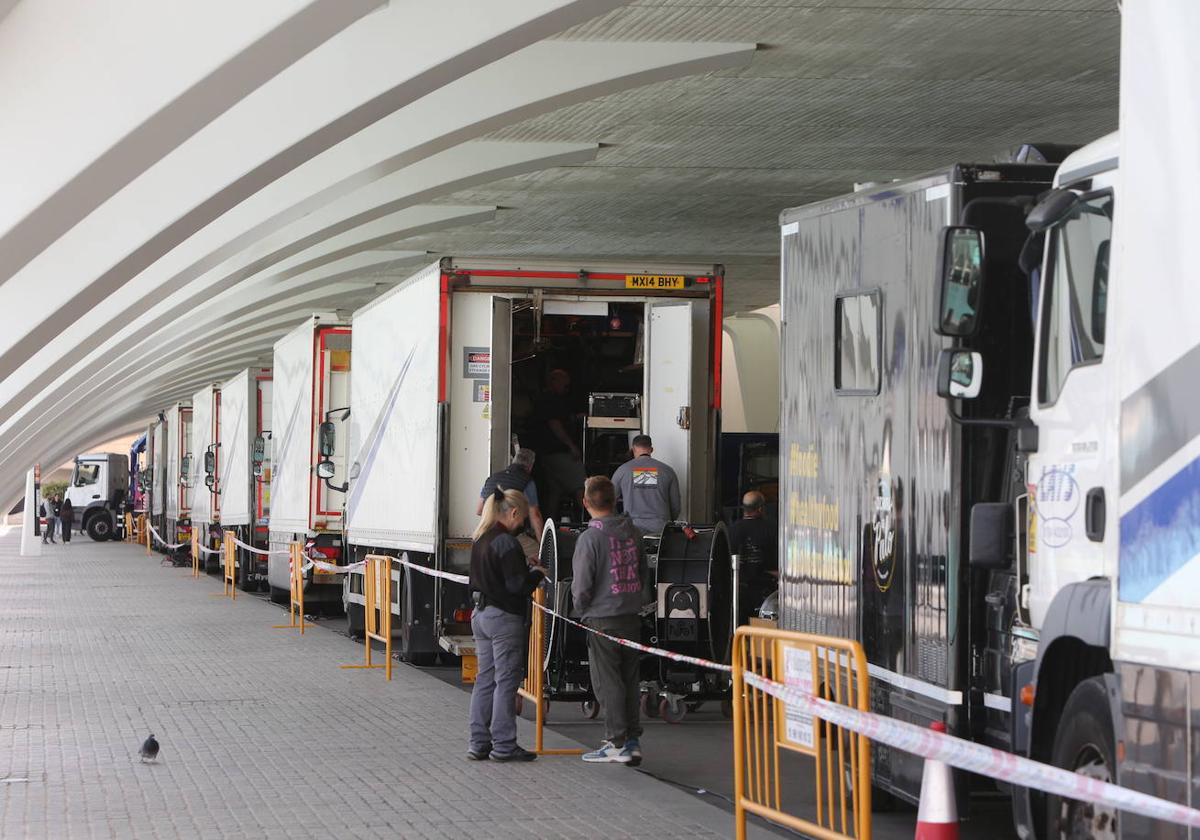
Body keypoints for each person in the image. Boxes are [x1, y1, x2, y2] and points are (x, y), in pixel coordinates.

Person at [467, 487, 547, 763]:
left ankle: (479, 743)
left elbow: (496, 573)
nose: (522, 524)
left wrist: (523, 566)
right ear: (513, 512)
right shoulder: (507, 542)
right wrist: (536, 574)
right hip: (503, 618)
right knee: (506, 681)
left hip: (480, 615)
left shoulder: (481, 537)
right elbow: (517, 586)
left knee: (485, 680)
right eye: (522, 518)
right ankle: (504, 744)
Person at [572, 475, 646, 766]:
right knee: (629, 680)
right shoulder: (633, 532)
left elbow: (582, 584)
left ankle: (615, 742)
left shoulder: (590, 538)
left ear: (585, 502)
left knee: (607, 683)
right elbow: (642, 572)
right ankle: (631, 740)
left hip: (602, 618)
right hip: (630, 614)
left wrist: (579, 609)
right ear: (614, 500)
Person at [532, 369, 585, 522]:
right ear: (554, 381)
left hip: (547, 453)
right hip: (558, 451)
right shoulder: (550, 400)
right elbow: (555, 424)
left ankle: (549, 525)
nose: (567, 387)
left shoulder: (550, 400)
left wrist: (575, 417)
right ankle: (594, 521)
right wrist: (571, 446)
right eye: (564, 383)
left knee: (554, 491)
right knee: (579, 484)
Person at [477, 448, 544, 558]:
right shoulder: (527, 481)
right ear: (530, 467)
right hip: (509, 535)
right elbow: (535, 515)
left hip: (487, 534)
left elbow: (479, 510)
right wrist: (542, 544)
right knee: (537, 553)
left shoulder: (492, 478)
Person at [611, 435, 680, 535]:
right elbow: (675, 505)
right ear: (651, 449)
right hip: (661, 529)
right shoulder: (667, 471)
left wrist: (619, 521)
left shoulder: (622, 471)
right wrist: (668, 522)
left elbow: (609, 501)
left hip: (632, 529)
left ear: (633, 450)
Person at [727, 491, 779, 622]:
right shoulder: (772, 528)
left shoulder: (732, 529)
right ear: (761, 508)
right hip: (766, 588)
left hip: (738, 586)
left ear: (744, 508)